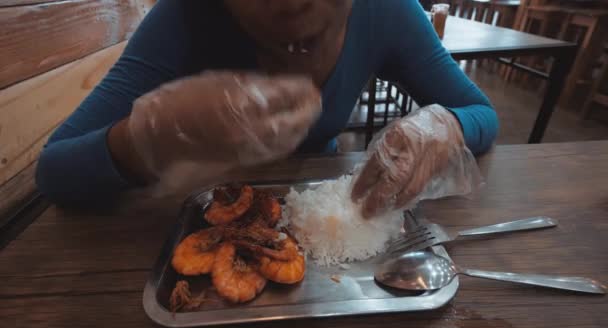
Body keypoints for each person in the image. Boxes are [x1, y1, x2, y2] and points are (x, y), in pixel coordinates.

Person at [36, 0, 498, 218]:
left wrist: (445, 124)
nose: (294, 5)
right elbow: (54, 172)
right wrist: (147, 138)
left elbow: (480, 112)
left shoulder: (388, 12)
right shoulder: (185, 17)